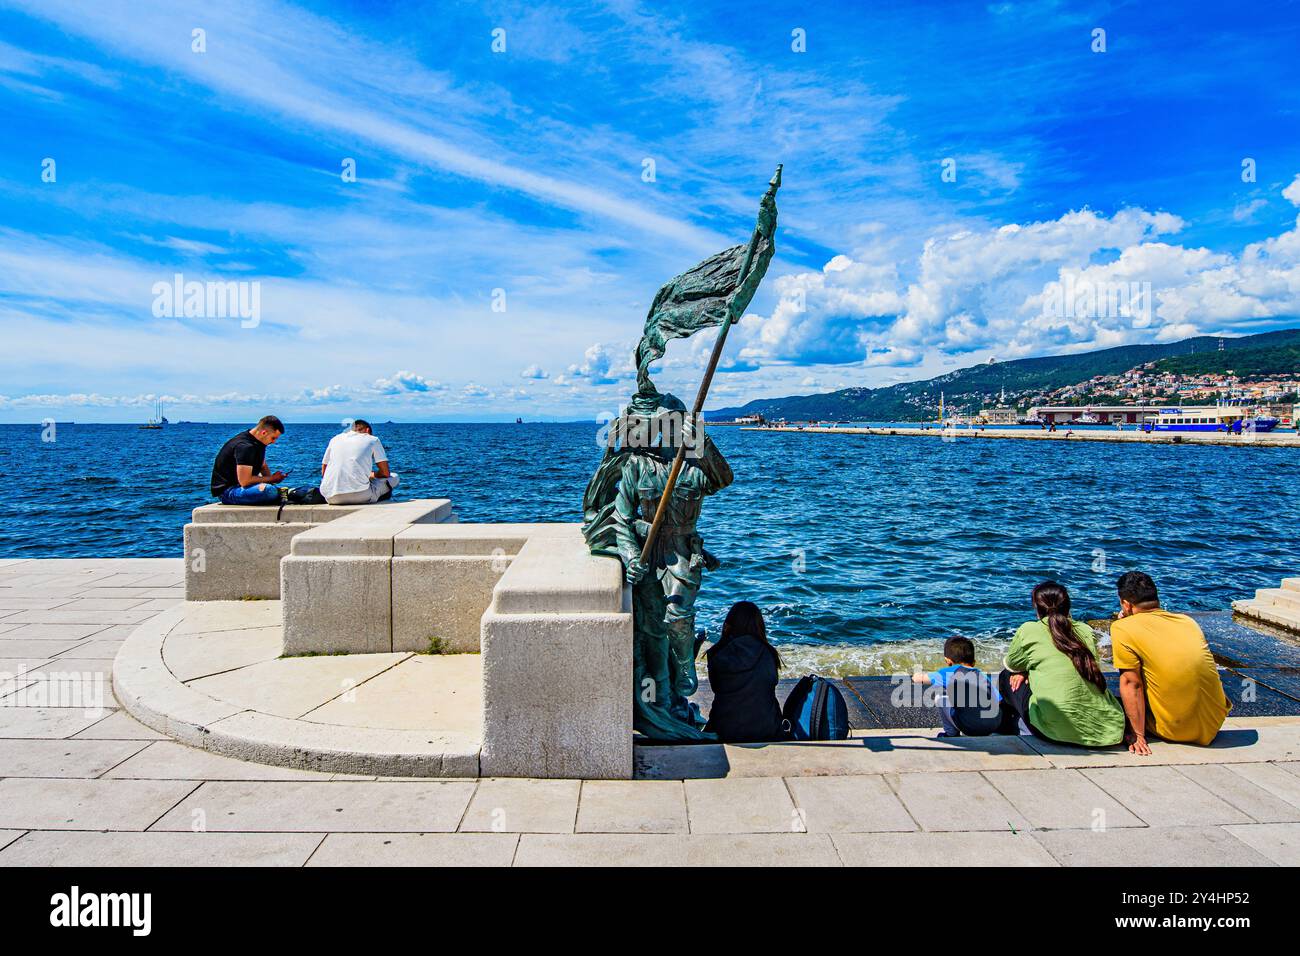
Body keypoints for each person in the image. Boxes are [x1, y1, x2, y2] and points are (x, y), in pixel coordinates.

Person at [1111, 571, 1231, 754]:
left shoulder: (1122, 628)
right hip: (1212, 724)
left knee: (1111, 702)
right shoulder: (1187, 621)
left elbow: (1131, 683)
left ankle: (1137, 729)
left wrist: (1138, 734)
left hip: (1176, 729)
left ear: (1126, 604)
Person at [998, 581, 1126, 747]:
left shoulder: (1028, 629)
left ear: (1037, 607)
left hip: (1054, 731)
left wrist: (1026, 672)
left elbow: (1011, 664)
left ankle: (1005, 728)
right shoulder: (1085, 630)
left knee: (1006, 676)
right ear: (1068, 606)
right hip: (1108, 731)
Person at [703, 601, 783, 743]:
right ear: (759, 625)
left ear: (729, 624)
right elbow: (771, 684)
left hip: (725, 730)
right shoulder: (769, 652)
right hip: (767, 729)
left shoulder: (717, 653)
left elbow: (717, 688)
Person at [912, 635, 1000, 737]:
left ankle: (951, 733)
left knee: (940, 698)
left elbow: (920, 679)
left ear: (948, 661)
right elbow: (998, 699)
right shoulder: (982, 675)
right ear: (974, 662)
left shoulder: (948, 673)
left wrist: (915, 676)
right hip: (993, 726)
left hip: (970, 728)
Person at [210, 416, 288, 505]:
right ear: (264, 433)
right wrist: (272, 478)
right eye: (273, 438)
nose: (274, 442)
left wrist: (272, 481)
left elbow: (263, 466)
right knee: (269, 491)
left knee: (272, 489)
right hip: (228, 492)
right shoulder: (245, 446)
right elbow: (245, 481)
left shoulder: (259, 443)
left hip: (243, 487)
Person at [320, 419, 399, 505]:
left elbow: (324, 470)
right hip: (360, 495)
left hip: (330, 497)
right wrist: (372, 475)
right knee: (394, 477)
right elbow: (385, 473)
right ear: (368, 430)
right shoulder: (373, 439)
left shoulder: (334, 439)